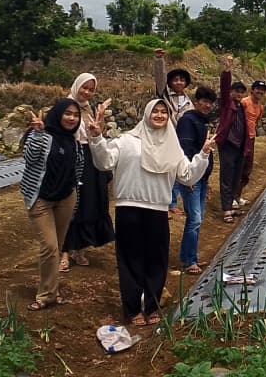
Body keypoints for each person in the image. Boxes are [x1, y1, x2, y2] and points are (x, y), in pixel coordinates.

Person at [88, 99, 214, 326]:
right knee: (131, 259)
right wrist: (97, 138)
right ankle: (132, 310)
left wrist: (203, 155)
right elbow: (104, 162)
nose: (159, 115)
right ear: (146, 114)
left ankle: (152, 306)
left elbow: (187, 176)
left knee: (156, 260)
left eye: (164, 112)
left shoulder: (172, 146)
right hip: (128, 207)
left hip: (157, 209)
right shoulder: (127, 140)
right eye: (155, 111)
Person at [19, 98, 85, 311]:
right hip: (41, 199)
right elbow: (30, 158)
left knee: (57, 245)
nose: (71, 118)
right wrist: (38, 133)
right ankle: (46, 296)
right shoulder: (41, 135)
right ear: (57, 114)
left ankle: (52, 292)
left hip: (65, 198)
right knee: (50, 246)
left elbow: (78, 170)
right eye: (67, 113)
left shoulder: (74, 142)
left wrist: (74, 194)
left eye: (75, 115)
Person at [59, 74, 115, 272]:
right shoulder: (66, 106)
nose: (87, 92)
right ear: (76, 86)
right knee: (70, 205)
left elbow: (96, 133)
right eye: (84, 87)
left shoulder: (88, 108)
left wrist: (100, 122)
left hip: (90, 158)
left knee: (87, 204)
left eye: (91, 89)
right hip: (71, 157)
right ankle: (64, 252)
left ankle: (80, 248)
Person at [177, 85, 217, 275]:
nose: (207, 105)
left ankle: (189, 256)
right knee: (195, 218)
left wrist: (205, 180)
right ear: (196, 102)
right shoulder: (188, 121)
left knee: (196, 219)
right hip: (191, 178)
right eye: (204, 101)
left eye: (210, 102)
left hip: (200, 178)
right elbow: (185, 150)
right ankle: (189, 261)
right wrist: (188, 178)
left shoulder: (202, 121)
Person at [154, 48, 193, 217]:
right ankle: (164, 203)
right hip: (165, 138)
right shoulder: (165, 96)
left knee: (177, 170)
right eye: (175, 80)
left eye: (182, 80)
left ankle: (172, 202)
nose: (179, 82)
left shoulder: (189, 102)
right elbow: (159, 79)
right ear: (170, 82)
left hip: (182, 141)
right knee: (164, 170)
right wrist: (159, 60)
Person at [215, 55, 249, 223]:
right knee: (227, 177)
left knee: (236, 177)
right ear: (231, 92)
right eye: (236, 91)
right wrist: (227, 69)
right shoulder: (227, 104)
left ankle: (231, 204)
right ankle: (226, 209)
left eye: (242, 92)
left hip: (239, 147)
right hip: (228, 145)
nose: (239, 94)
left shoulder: (241, 107)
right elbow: (224, 86)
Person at [236, 80, 266, 208]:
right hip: (240, 139)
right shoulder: (244, 102)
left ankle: (238, 196)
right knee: (238, 167)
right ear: (252, 90)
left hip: (251, 139)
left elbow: (256, 121)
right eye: (258, 89)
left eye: (263, 90)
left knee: (247, 169)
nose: (260, 92)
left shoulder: (260, 107)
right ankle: (232, 197)